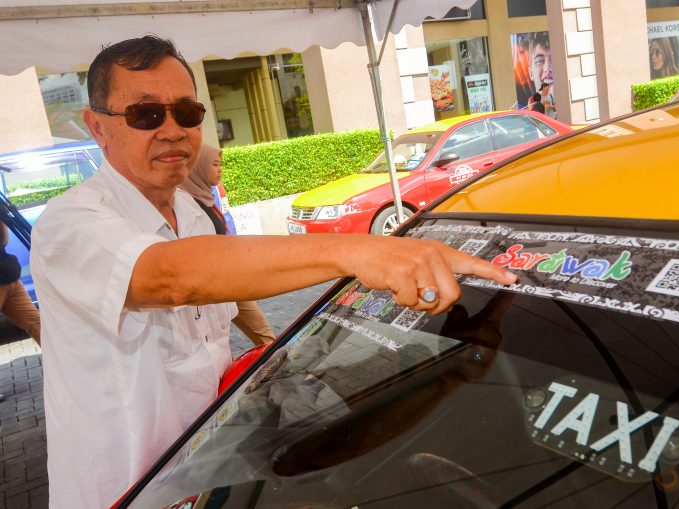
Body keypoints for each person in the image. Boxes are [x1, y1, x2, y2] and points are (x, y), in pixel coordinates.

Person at [30, 35, 517, 508]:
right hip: (123, 492)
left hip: (204, 483)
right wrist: (361, 252)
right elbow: (168, 279)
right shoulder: (69, 222)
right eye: (145, 114)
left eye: (187, 112)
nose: (173, 129)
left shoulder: (192, 214)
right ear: (97, 127)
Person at [180, 143, 276, 346]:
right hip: (214, 284)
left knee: (264, 336)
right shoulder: (186, 203)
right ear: (198, 167)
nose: (220, 169)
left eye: (220, 164)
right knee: (258, 337)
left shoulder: (206, 196)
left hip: (227, 278)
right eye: (214, 164)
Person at [0, 221, 40, 346]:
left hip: (8, 276)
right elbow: (4, 239)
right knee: (37, 325)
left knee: (37, 325)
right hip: (7, 273)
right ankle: (65, 358)